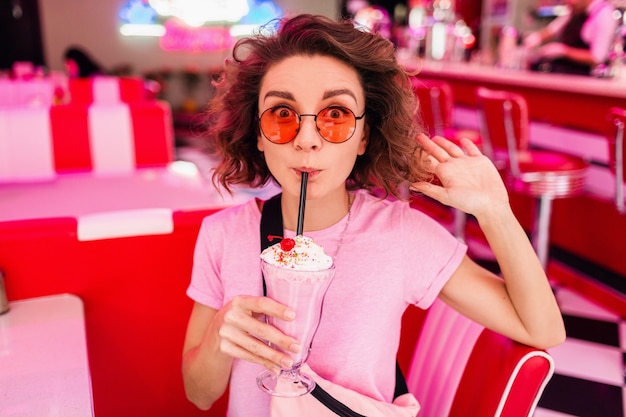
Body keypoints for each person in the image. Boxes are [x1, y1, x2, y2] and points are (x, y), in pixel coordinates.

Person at [182, 14, 565, 416]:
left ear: (364, 136)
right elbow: (199, 393)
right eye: (282, 115)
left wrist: (495, 211)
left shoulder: (401, 234)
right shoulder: (223, 234)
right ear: (258, 132)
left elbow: (543, 330)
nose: (307, 140)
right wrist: (218, 334)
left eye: (336, 115)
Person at [524, 0, 618, 75]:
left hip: (584, 80)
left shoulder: (604, 15)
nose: (567, 2)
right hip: (562, 75)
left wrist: (564, 51)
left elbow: (597, 58)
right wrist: (535, 38)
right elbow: (552, 29)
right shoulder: (576, 9)